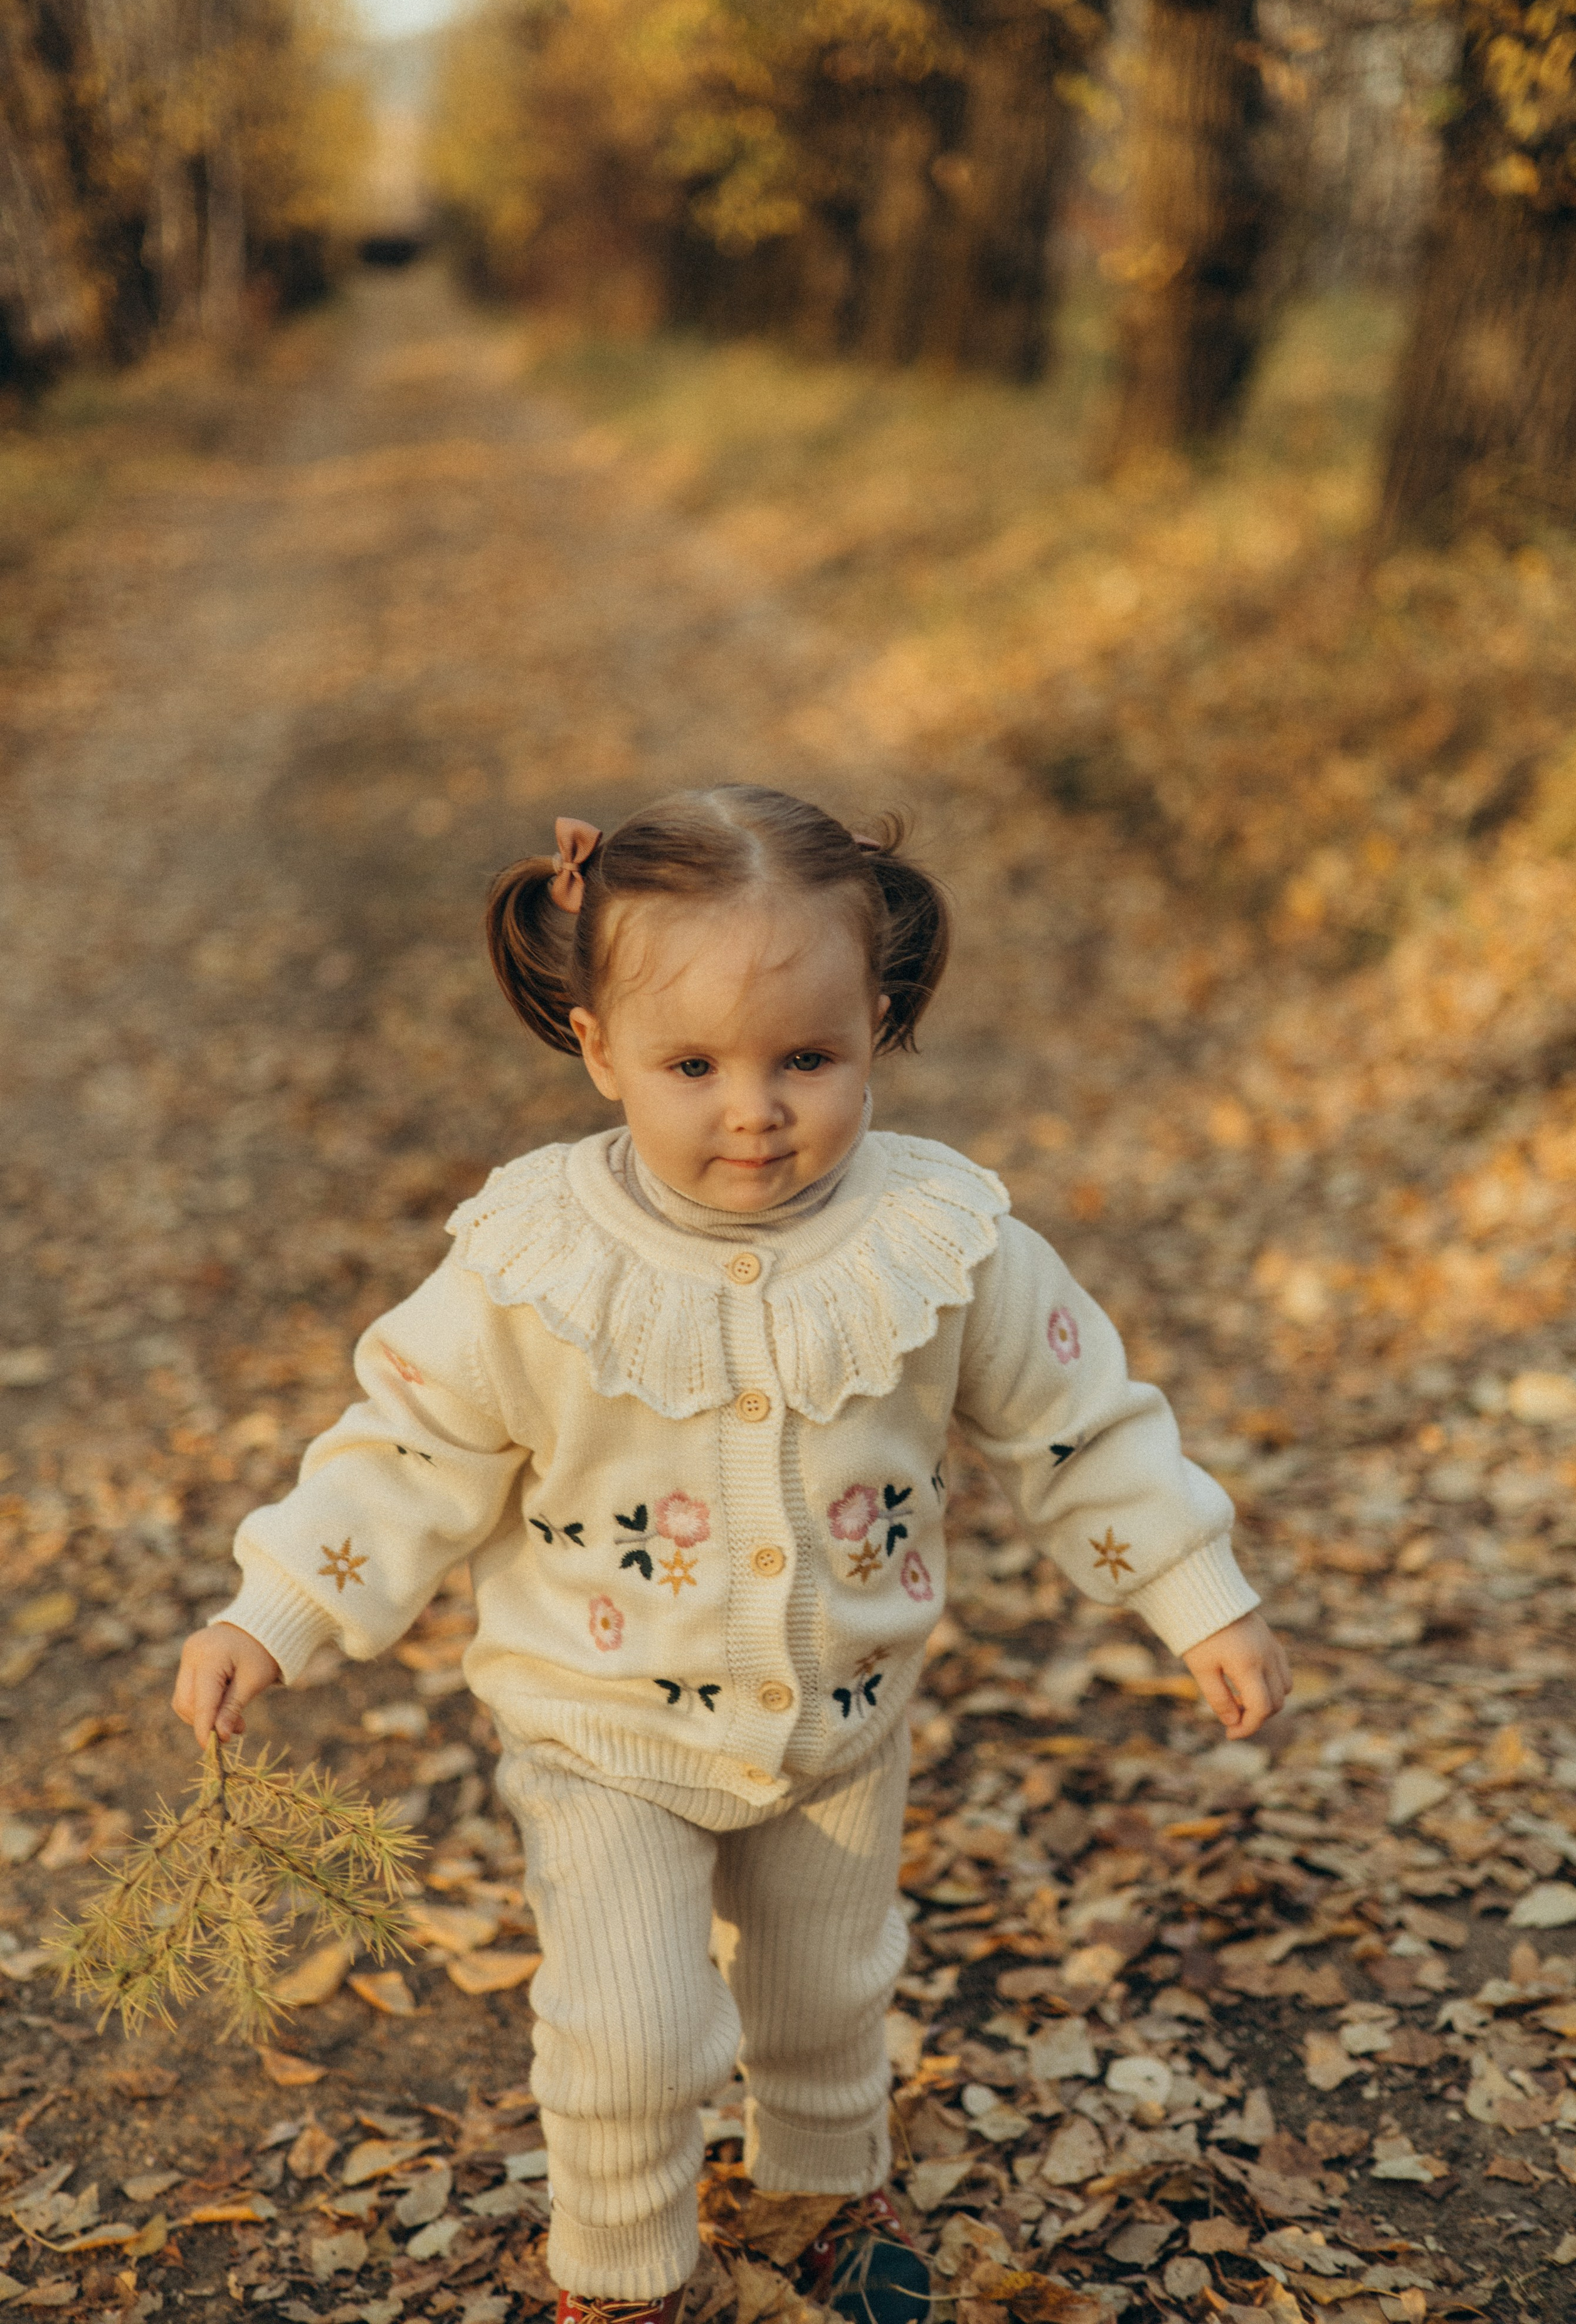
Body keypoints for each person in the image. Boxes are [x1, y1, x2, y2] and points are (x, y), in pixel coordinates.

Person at [174, 785, 1291, 2324]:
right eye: (691, 1065)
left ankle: (819, 2193)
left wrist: (1193, 1592)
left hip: (841, 1722)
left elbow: (1080, 1419)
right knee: (632, 2027)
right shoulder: (533, 1263)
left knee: (827, 1993)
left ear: (877, 1021)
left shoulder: (939, 1240)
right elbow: (407, 1446)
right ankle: (624, 2277)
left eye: (807, 1060)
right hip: (602, 1731)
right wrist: (277, 1606)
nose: (753, 1109)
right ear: (596, 1048)